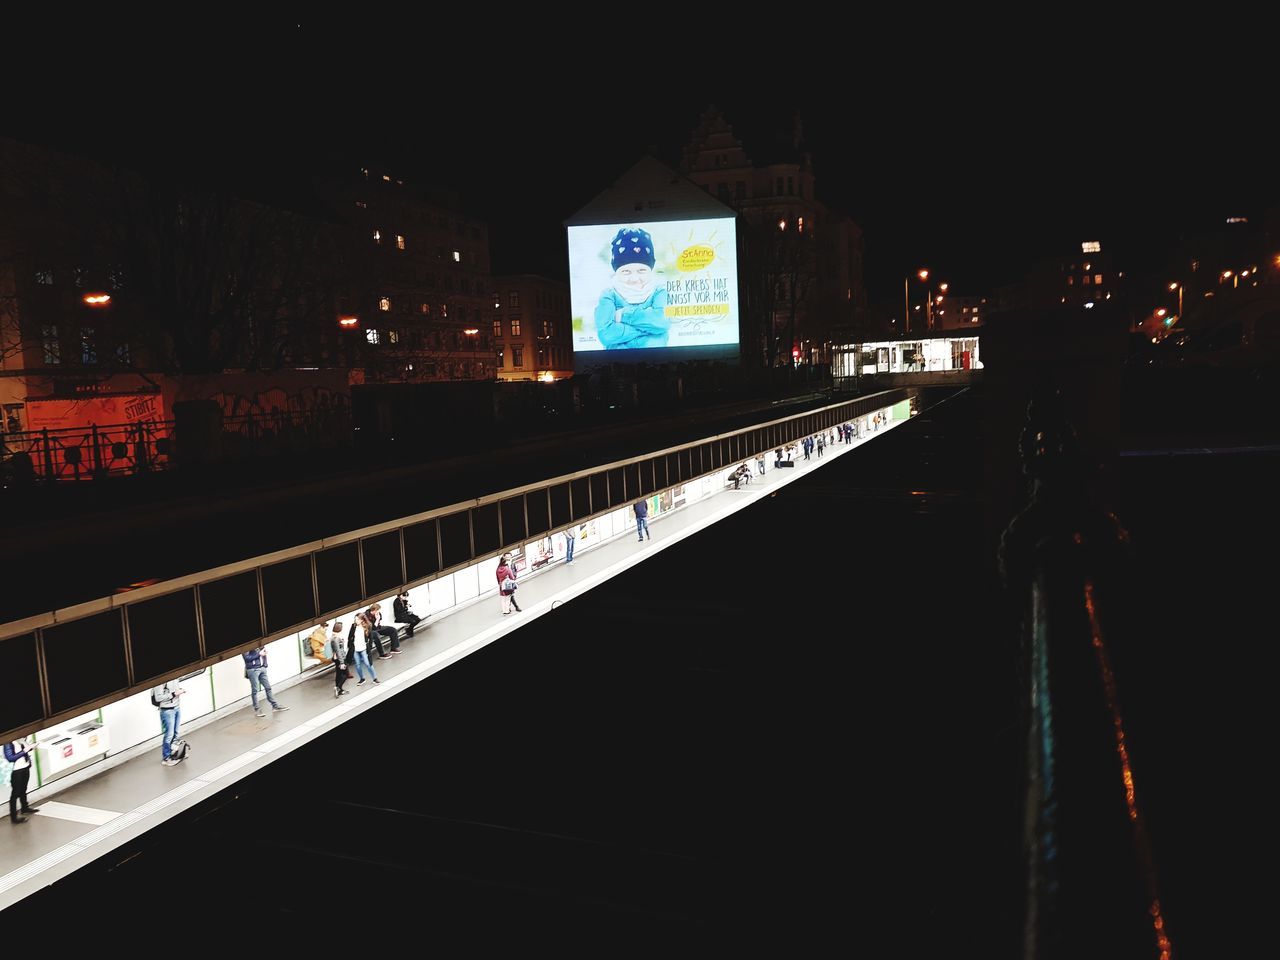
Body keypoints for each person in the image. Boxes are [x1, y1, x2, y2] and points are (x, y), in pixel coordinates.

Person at [594, 226, 670, 349]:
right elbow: (606, 335)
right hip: (616, 364)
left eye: (641, 270)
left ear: (651, 270)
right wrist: (648, 329)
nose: (634, 279)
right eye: (626, 272)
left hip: (655, 360)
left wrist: (622, 315)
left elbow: (662, 322)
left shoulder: (659, 291)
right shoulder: (609, 295)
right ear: (616, 272)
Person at [242, 646, 289, 718]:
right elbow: (247, 658)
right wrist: (259, 654)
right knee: (255, 690)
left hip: (261, 668)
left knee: (268, 687)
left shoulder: (259, 643)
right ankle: (257, 709)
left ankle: (275, 706)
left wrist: (265, 663)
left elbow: (264, 652)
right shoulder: (246, 645)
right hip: (253, 669)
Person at [4, 738, 38, 824]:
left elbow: (26, 750)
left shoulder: (21, 741)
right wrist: (25, 751)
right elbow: (10, 758)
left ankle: (24, 808)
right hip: (16, 771)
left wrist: (30, 747)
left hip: (25, 767)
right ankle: (14, 817)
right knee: (15, 794)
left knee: (23, 789)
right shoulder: (8, 743)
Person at [151, 679, 184, 765]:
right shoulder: (159, 681)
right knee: (169, 735)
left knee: (176, 733)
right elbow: (158, 698)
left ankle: (174, 754)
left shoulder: (175, 677)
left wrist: (180, 691)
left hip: (177, 707)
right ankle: (166, 758)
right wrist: (173, 694)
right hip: (167, 710)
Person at [348, 614, 380, 686]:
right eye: (355, 619)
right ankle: (362, 678)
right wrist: (350, 646)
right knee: (358, 665)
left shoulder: (367, 626)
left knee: (368, 663)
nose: (356, 621)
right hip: (355, 648)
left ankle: (375, 678)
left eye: (358, 619)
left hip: (364, 648)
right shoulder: (353, 626)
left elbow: (370, 637)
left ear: (362, 620)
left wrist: (370, 646)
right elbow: (350, 637)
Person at [329, 622, 350, 698]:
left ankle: (340, 689)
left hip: (336, 658)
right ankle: (337, 688)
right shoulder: (336, 639)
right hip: (341, 659)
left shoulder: (332, 637)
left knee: (338, 674)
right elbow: (338, 650)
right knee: (345, 674)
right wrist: (342, 662)